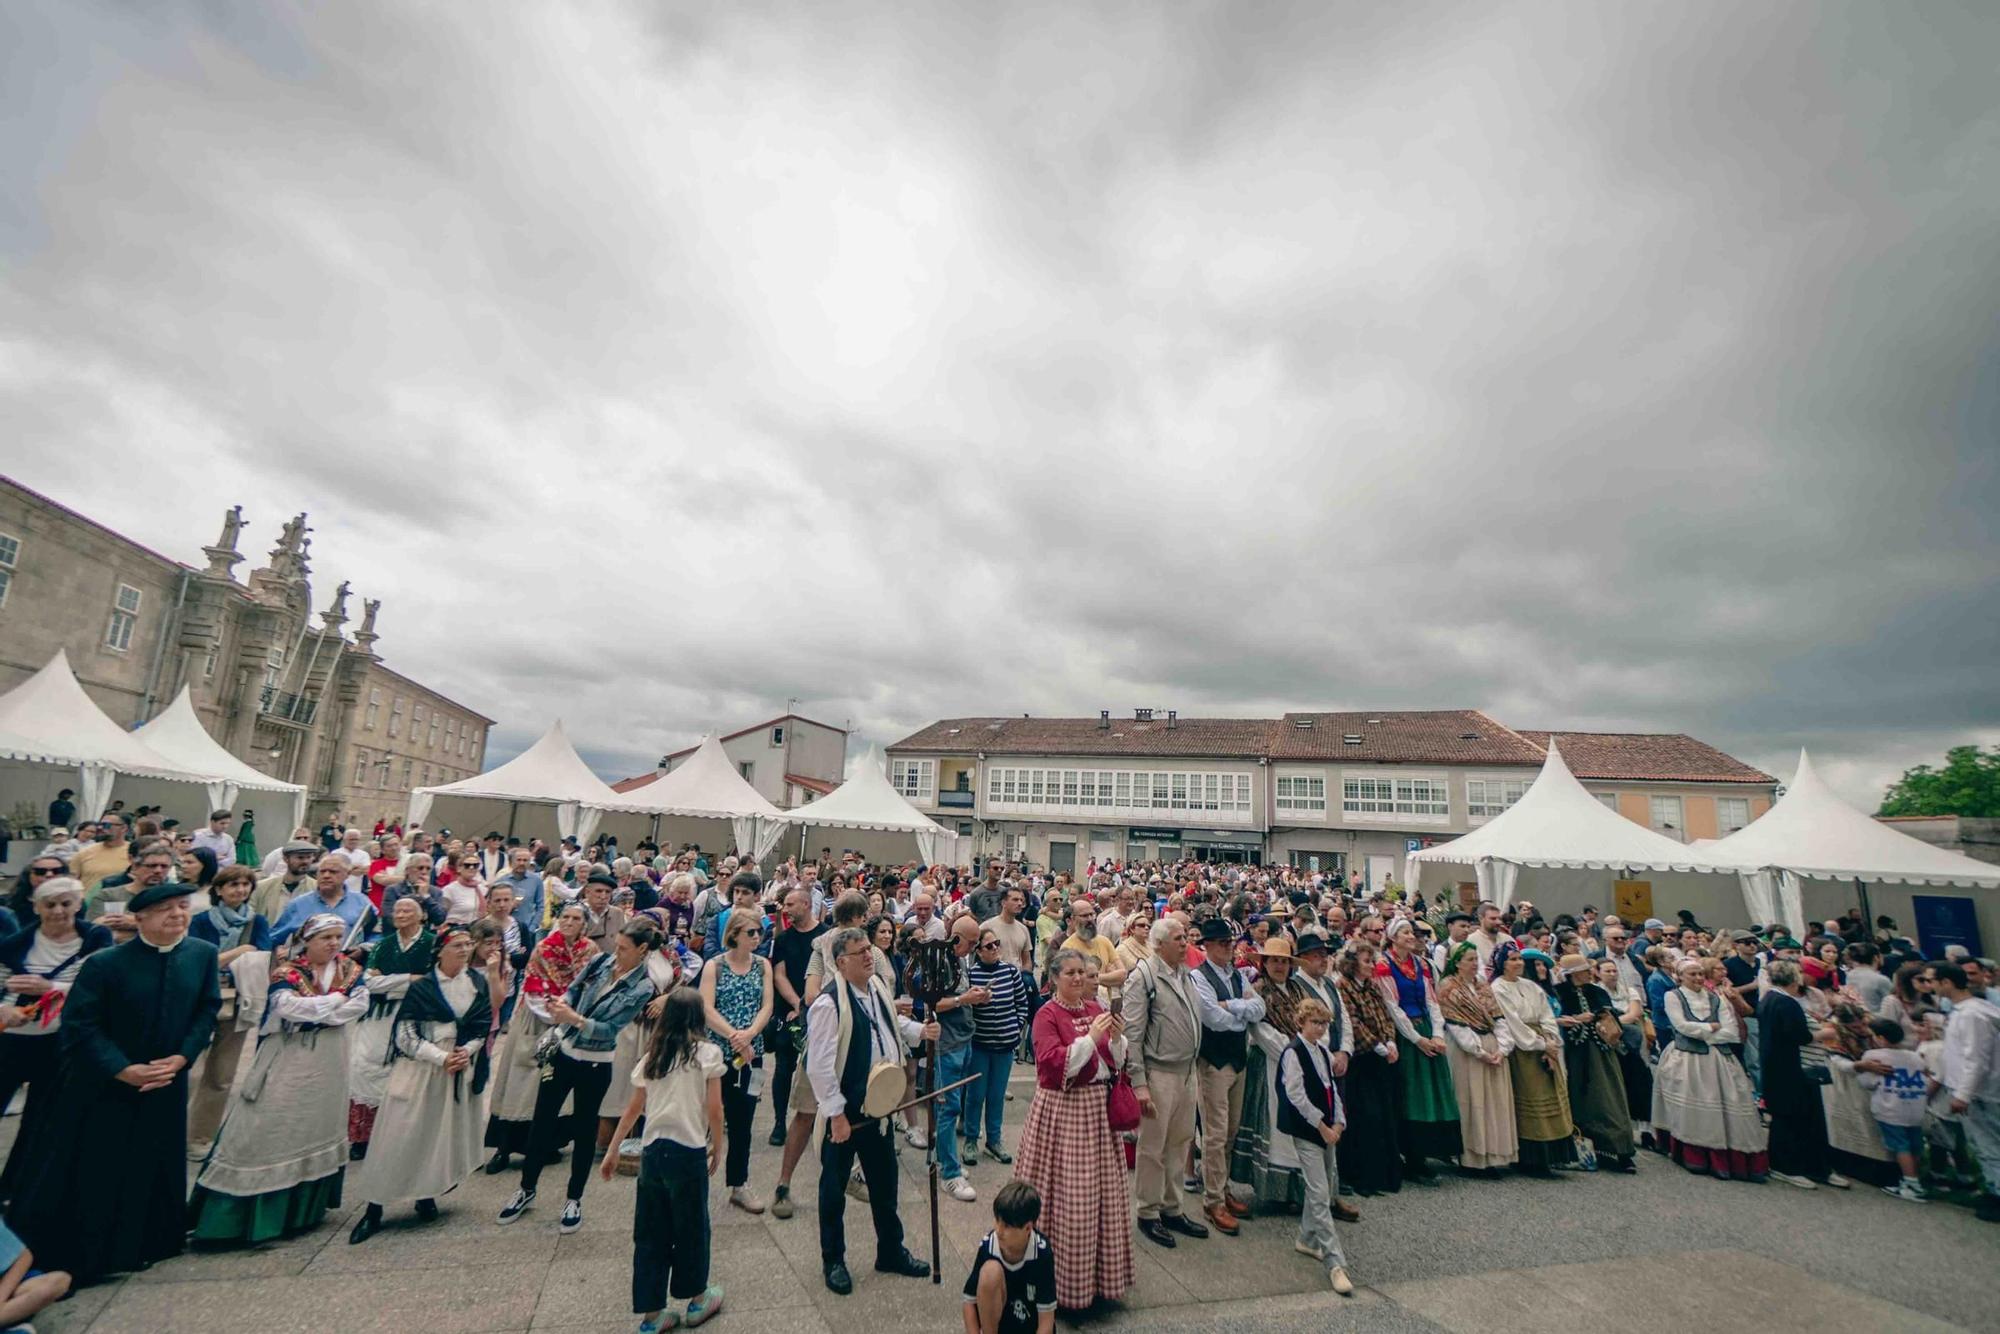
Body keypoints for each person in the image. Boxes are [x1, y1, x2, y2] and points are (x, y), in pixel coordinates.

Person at [6, 874, 220, 1282]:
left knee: (155, 1161)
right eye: (163, 911)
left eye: (182, 908)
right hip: (108, 1085)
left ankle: (151, 1241)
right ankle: (101, 1250)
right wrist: (123, 1069)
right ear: (138, 919)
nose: (177, 916)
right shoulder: (106, 964)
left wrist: (181, 1058)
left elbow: (205, 1011)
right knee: (104, 1167)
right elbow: (80, 1026)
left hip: (165, 1080)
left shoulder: (202, 954)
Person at [188, 913, 368, 1244]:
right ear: (307, 940)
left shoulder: (348, 970)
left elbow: (358, 1005)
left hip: (331, 1056)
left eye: (337, 937)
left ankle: (305, 1208)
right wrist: (332, 1002)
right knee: (269, 1122)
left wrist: (322, 1006)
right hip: (290, 1053)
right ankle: (239, 1215)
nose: (332, 943)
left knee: (317, 1122)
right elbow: (286, 1007)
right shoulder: (288, 971)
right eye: (325, 937)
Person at [498, 919, 661, 1233]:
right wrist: (565, 1003)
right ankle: (526, 1187)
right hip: (563, 1051)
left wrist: (575, 1019)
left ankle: (574, 1197)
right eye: (617, 945)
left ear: (642, 950)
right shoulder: (602, 960)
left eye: (625, 949)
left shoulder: (642, 986)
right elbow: (575, 986)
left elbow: (611, 1029)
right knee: (542, 1121)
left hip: (596, 1061)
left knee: (585, 1128)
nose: (617, 952)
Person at [347, 922, 500, 1243]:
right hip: (421, 1068)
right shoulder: (424, 987)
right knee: (399, 1135)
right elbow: (405, 1034)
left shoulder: (476, 982)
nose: (463, 949)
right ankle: (374, 1208)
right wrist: (440, 1057)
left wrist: (466, 1052)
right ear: (440, 950)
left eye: (466, 944)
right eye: (456, 944)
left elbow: (481, 1023)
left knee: (436, 1136)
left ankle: (426, 1194)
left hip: (457, 1066)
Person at [805, 926, 935, 1296]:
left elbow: (889, 1027)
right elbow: (820, 1066)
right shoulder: (830, 1004)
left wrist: (919, 1033)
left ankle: (890, 1251)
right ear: (841, 962)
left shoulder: (876, 988)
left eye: (869, 949)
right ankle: (833, 1259)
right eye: (860, 952)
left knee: (885, 1183)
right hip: (845, 1112)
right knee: (833, 1188)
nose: (869, 956)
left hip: (880, 1108)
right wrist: (836, 1115)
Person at [1014, 947, 1132, 1312]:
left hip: (1098, 1109)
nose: (1079, 979)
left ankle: (1099, 1281)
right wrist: (1091, 1039)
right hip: (1065, 1110)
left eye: (1082, 972)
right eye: (1070, 973)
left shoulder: (1096, 1008)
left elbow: (1114, 1060)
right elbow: (1051, 1066)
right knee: (1070, 1198)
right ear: (1053, 979)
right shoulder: (1046, 1014)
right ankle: (1064, 1287)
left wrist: (1115, 1038)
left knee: (1104, 1196)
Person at [602, 988, 724, 1330]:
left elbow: (633, 1110)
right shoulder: (709, 1054)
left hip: (653, 1153)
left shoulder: (652, 1056)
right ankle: (697, 1299)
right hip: (688, 1152)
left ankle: (652, 1316)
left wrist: (613, 1150)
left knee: (651, 1232)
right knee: (692, 1228)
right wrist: (718, 1144)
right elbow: (714, 1109)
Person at [0, 876, 113, 1195]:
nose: (59, 911)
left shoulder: (95, 938)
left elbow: (98, 987)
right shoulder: (16, 943)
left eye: (67, 903)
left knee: (41, 1119)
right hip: (12, 1038)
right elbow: (2, 985)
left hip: (60, 1041)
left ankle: (15, 1187)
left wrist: (50, 988)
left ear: (79, 904)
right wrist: (3, 1010)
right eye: (50, 904)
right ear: (36, 908)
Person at [483, 901, 596, 1173]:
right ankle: (505, 1147)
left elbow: (590, 985)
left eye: (575, 918)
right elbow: (532, 984)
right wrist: (553, 1012)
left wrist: (569, 1014)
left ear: (584, 924)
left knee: (554, 1085)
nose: (568, 922)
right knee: (521, 1081)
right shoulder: (544, 947)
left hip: (568, 1020)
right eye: (565, 917)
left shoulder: (590, 951)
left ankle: (547, 1144)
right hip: (536, 1017)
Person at [1122, 916, 1209, 1248]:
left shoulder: (1185, 974)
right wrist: (1140, 1083)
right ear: (1159, 945)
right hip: (1159, 1073)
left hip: (1186, 1072)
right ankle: (1148, 1212)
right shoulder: (1144, 977)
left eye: (1185, 936)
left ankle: (1173, 1208)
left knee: (1180, 1142)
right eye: (1177, 938)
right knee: (1152, 1148)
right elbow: (1132, 1035)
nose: (1185, 942)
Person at [184, 864, 274, 1154]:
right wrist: (237, 953)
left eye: (245, 884)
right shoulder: (200, 921)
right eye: (233, 884)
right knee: (188, 1068)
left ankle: (200, 1137)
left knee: (221, 1074)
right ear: (219, 890)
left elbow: (261, 958)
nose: (240, 890)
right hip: (199, 999)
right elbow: (198, 960)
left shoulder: (256, 921)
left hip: (239, 999)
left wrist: (223, 961)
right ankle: (172, 1129)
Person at [1653, 957, 1768, 1181]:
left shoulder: (1716, 997)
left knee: (1730, 1103)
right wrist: (1711, 1028)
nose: (1697, 978)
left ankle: (1731, 1156)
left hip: (1718, 1057)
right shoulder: (1673, 996)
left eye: (1700, 974)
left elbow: (1731, 1031)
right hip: (1687, 1057)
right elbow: (1682, 1026)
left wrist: (1706, 1031)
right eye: (1692, 975)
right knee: (1694, 1107)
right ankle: (1696, 1154)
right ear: (1680, 977)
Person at [1189, 918, 1263, 1233]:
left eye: (1229, 942)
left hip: (1236, 1059)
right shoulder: (1198, 976)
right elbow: (1213, 1018)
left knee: (1231, 1131)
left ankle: (1223, 1189)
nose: (1228, 947)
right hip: (1214, 1061)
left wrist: (1232, 1007)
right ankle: (1213, 1200)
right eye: (1221, 943)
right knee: (1216, 1134)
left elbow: (1259, 1007)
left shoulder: (1236, 975)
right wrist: (1240, 1015)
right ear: (1206, 946)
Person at [349, 894, 437, 1160]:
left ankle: (400, 1134)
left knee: (407, 1073)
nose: (400, 915)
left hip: (416, 1016)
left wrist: (388, 981)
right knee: (366, 1067)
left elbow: (432, 981)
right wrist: (409, 978)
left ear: (422, 915)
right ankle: (364, 1137)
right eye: (397, 910)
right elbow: (370, 982)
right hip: (380, 1015)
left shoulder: (431, 944)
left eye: (407, 910)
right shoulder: (383, 945)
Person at [1276, 998, 1353, 1296]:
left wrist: (1338, 1121)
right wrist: (1321, 1125)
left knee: (1324, 1182)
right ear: (1301, 1023)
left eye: (1323, 1024)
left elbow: (1331, 1088)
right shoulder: (1293, 1052)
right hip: (1307, 1129)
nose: (1319, 1029)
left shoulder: (1321, 1051)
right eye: (1314, 1023)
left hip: (1327, 1128)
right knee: (1320, 1193)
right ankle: (1335, 1262)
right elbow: (1295, 1095)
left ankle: (1307, 1238)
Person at [700, 911, 773, 1214]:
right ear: (734, 935)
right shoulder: (714, 966)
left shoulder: (762, 965)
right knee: (705, 1119)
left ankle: (738, 1184)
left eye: (759, 932)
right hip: (718, 1052)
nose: (757, 938)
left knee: (742, 1122)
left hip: (750, 1054)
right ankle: (695, 1180)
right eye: (751, 932)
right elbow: (705, 1006)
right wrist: (733, 1035)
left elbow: (766, 1004)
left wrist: (751, 1033)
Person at [1379, 920, 1461, 1184]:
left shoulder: (1421, 964)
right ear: (1392, 938)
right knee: (1411, 1092)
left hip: (1425, 1028)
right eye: (1404, 932)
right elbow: (1392, 1005)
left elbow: (1431, 1000)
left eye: (1411, 932)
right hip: (1405, 1034)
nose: (1410, 936)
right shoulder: (1384, 964)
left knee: (1432, 1093)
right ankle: (1411, 1156)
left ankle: (1428, 1151)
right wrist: (1416, 1039)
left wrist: (1436, 1033)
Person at [1487, 943, 1574, 1175]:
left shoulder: (1530, 985)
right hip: (1524, 1050)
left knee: (1553, 1095)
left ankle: (1554, 1154)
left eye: (1519, 959)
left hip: (1544, 1043)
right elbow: (1513, 1023)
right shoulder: (1498, 988)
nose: (1518, 963)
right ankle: (1531, 1158)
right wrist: (1540, 1044)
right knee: (1530, 1098)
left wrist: (1551, 1040)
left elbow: (1546, 1013)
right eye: (1512, 959)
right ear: (1501, 963)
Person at [1235, 935, 1306, 1209]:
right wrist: (1292, 1052)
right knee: (1275, 1125)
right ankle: (1274, 1190)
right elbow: (1259, 1028)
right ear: (1264, 963)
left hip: (1300, 1062)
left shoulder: (1297, 989)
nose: (1279, 966)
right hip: (1270, 1062)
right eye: (1274, 961)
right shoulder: (1258, 989)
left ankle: (1296, 1188)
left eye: (1284, 961)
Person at [1437, 941, 1517, 1176]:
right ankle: (1471, 1156)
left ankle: (1493, 1154)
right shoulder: (1448, 988)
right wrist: (1478, 1051)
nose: (1474, 964)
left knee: (1494, 1103)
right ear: (1457, 963)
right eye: (1470, 960)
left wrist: (1503, 1048)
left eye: (1476, 959)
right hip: (1468, 1051)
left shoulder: (1482, 986)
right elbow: (1455, 1025)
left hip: (1492, 1045)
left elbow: (1498, 1017)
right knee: (1471, 1101)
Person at [1758, 958, 1839, 1190]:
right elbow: (1800, 1035)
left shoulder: (1769, 999)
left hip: (1779, 1066)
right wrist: (1824, 1033)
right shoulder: (1786, 1003)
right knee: (1793, 1118)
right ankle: (1788, 1166)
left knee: (1794, 1117)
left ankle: (1808, 1165)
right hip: (1791, 1067)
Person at [1930, 963, 2000, 1222]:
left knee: (1989, 1145)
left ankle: (1997, 1193)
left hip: (1980, 1093)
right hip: (1975, 1089)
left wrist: (1963, 1094)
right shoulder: (1969, 1011)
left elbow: (1975, 1059)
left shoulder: (1971, 1015)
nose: (1931, 986)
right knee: (1983, 1143)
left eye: (1933, 980)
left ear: (1947, 982)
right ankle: (1992, 1188)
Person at [1553, 953, 1635, 1172]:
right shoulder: (1560, 993)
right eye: (1584, 970)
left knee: (1608, 1096)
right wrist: (1576, 1020)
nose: (1589, 973)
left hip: (1601, 1052)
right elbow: (1554, 1018)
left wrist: (1602, 1018)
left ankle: (1619, 1149)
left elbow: (1612, 1017)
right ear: (1573, 974)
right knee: (1579, 1096)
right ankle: (1586, 1146)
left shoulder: (1597, 992)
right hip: (1575, 1052)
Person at [965, 923, 1032, 1166]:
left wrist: (1016, 1027)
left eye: (997, 944)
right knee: (975, 1095)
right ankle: (971, 1138)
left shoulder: (1010, 972)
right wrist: (977, 1002)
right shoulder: (971, 974)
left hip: (1005, 1045)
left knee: (996, 1096)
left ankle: (994, 1140)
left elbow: (1021, 1002)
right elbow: (966, 1011)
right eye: (989, 946)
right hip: (980, 1045)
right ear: (979, 951)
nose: (994, 949)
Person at [766, 884, 826, 1145]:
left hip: (820, 1012)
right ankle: (780, 1122)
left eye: (790, 905)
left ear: (806, 904)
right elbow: (779, 975)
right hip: (787, 1012)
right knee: (783, 1067)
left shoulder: (825, 937)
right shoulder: (783, 939)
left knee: (818, 1070)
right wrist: (797, 1004)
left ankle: (813, 1121)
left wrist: (810, 1006)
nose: (786, 910)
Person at [1853, 1017, 1933, 1201]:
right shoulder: (1914, 1056)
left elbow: (1867, 1082)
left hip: (1890, 1108)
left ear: (1880, 1038)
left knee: (1900, 1146)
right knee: (1915, 1145)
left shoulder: (1874, 1056)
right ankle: (1915, 1177)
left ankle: (1911, 1183)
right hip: (1915, 1107)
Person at [962, 1179, 1057, 1334]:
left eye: (1006, 1226)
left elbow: (1047, 1320)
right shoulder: (989, 1246)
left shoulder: (1042, 1253)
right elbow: (969, 1302)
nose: (998, 1230)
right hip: (999, 1324)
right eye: (997, 1221)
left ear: (1027, 1228)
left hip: (1030, 1327)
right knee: (989, 1272)